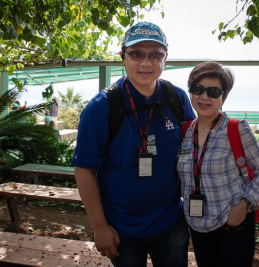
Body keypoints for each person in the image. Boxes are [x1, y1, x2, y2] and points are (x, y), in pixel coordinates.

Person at [72, 21, 196, 267]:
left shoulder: (176, 98)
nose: (146, 63)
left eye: (155, 55)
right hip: (121, 229)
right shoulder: (102, 107)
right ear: (123, 56)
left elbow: (195, 149)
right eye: (137, 53)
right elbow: (84, 169)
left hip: (170, 224)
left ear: (165, 58)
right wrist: (99, 227)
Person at [177, 61, 259, 267]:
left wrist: (244, 205)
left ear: (223, 97)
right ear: (191, 93)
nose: (204, 97)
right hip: (198, 226)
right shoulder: (185, 132)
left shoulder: (236, 129)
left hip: (233, 226)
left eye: (213, 92)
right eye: (198, 89)